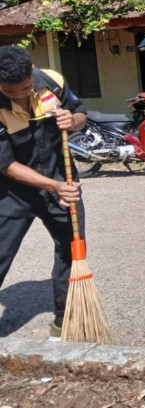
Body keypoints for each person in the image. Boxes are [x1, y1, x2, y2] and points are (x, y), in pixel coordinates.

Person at [0, 45, 88, 339]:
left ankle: (66, 318)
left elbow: (80, 114)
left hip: (63, 180)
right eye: (11, 93)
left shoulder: (52, 81)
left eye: (25, 88)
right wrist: (53, 186)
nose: (21, 96)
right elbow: (7, 165)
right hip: (13, 192)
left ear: (32, 70)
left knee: (71, 251)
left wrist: (72, 121)